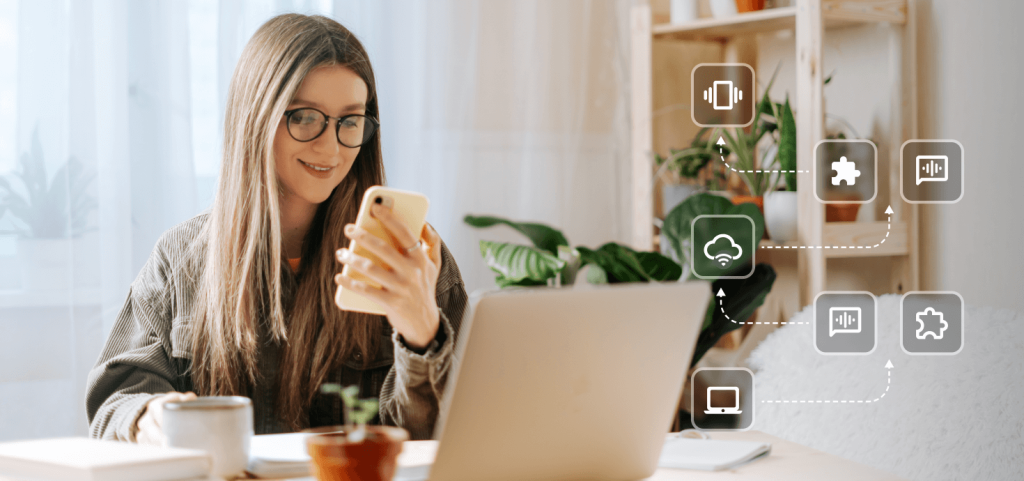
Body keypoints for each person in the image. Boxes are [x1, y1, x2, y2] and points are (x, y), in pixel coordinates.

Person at [85, 13, 467, 443]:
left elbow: (447, 438)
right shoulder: (182, 257)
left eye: (350, 121)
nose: (330, 146)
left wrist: (421, 337)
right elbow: (115, 399)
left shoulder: (412, 261)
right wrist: (147, 415)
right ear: (257, 116)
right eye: (305, 117)